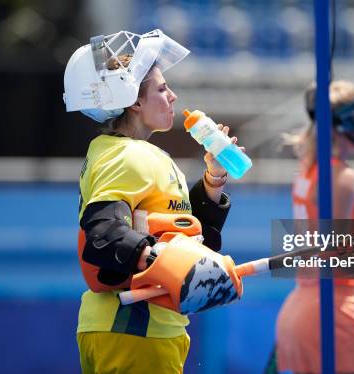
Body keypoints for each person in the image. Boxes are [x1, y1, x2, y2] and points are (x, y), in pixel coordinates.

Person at [63, 29, 242, 373]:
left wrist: (213, 178)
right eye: (161, 89)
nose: (172, 96)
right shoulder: (127, 156)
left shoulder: (131, 152)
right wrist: (157, 258)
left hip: (138, 329)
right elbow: (102, 231)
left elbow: (183, 228)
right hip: (133, 327)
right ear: (134, 101)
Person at [274, 80, 354, 374]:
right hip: (329, 314)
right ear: (341, 125)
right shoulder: (341, 176)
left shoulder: (311, 168)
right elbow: (336, 257)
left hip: (301, 308)